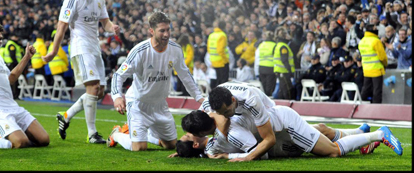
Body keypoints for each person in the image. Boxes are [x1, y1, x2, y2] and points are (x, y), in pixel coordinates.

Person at [205, 83, 403, 161]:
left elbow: (269, 140)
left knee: (332, 151)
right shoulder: (216, 97)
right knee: (321, 129)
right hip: (279, 122)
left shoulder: (249, 101)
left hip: (285, 124)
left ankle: (379, 134)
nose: (227, 116)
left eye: (228, 111)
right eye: (222, 114)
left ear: (232, 100)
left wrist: (245, 157)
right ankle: (359, 133)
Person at [44, 0, 120, 144]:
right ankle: (92, 133)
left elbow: (105, 22)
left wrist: (112, 28)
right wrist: (54, 50)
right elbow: (62, 26)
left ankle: (66, 115)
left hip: (95, 47)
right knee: (93, 89)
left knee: (100, 92)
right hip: (80, 47)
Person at [108, 11, 204, 151]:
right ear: (151, 31)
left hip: (160, 105)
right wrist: (117, 97)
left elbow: (185, 75)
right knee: (139, 148)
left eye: (168, 29)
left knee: (171, 145)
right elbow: (118, 75)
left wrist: (199, 97)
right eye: (162, 31)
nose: (166, 34)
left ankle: (146, 135)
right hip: (139, 104)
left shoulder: (175, 50)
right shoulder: (140, 51)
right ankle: (116, 134)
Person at [171, 110, 380, 159]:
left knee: (324, 138)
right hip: (276, 141)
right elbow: (253, 151)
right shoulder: (217, 142)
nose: (187, 133)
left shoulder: (220, 131)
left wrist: (182, 151)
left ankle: (367, 134)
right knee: (325, 138)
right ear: (196, 143)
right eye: (188, 137)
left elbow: (254, 150)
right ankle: (365, 134)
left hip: (276, 133)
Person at [359, 24, 388, 103]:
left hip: (366, 69)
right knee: (377, 91)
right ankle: (376, 109)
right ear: (371, 29)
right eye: (375, 28)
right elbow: (382, 57)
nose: (377, 30)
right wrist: (385, 65)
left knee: (365, 89)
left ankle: (361, 105)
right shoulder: (376, 41)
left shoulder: (362, 41)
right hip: (376, 69)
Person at [273, 27, 295, 99]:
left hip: (280, 71)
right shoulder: (283, 46)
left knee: (282, 90)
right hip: (284, 71)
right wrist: (289, 70)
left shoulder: (278, 45)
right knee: (288, 90)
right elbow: (284, 60)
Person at [207, 20, 230, 86]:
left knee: (218, 80)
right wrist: (226, 60)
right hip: (222, 61)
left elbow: (209, 50)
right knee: (224, 82)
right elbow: (220, 50)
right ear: (224, 27)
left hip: (214, 61)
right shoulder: (222, 35)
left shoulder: (211, 35)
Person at [3, 33, 24, 99]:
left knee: (13, 80)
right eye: (15, 37)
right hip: (12, 64)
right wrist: (17, 64)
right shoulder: (11, 44)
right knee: (14, 80)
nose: (17, 38)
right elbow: (12, 55)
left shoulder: (13, 44)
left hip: (11, 64)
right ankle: (14, 95)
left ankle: (13, 95)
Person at [254, 31, 276, 96]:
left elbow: (257, 58)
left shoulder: (261, 45)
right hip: (271, 68)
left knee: (263, 86)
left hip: (261, 68)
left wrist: (256, 72)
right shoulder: (275, 45)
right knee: (270, 87)